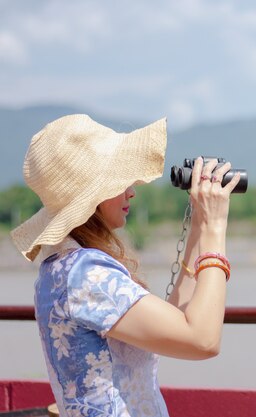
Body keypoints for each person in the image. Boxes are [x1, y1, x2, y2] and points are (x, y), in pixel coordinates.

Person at [10, 114, 240, 417]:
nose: (131, 189)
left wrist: (199, 222)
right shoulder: (87, 276)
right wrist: (214, 228)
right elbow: (203, 341)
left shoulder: (63, 268)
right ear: (93, 197)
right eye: (119, 181)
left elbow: (177, 324)